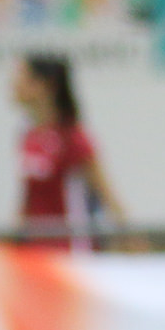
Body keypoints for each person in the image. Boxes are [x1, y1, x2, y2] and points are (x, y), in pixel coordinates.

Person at [12, 54, 128, 241]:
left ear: (44, 85)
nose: (13, 85)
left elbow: (106, 193)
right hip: (36, 246)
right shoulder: (29, 136)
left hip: (70, 245)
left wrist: (131, 238)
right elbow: (27, 200)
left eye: (21, 77)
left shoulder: (72, 137)